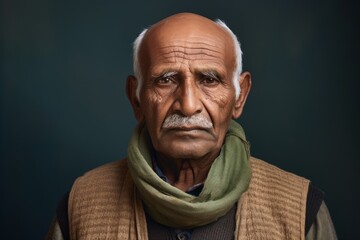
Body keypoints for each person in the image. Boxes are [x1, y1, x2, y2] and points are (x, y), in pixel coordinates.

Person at [46, 13, 337, 240]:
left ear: (240, 96)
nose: (187, 105)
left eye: (209, 80)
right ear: (136, 99)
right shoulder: (81, 205)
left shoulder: (301, 210)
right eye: (166, 79)